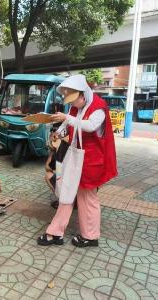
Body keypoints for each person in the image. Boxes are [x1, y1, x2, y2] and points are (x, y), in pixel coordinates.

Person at [37, 74, 117, 247]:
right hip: (76, 157)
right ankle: (57, 232)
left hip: (92, 160)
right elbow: (69, 124)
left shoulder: (98, 107)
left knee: (87, 199)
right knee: (67, 195)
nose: (72, 105)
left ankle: (89, 236)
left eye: (73, 101)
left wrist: (67, 119)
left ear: (82, 94)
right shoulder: (78, 106)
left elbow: (89, 125)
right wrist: (58, 132)